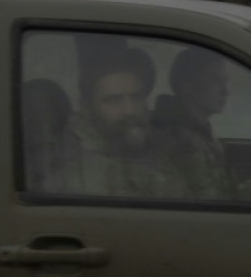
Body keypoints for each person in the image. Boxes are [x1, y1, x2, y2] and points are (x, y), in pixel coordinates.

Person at [51, 46, 185, 198]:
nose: (130, 110)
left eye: (136, 97)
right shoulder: (77, 169)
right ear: (88, 108)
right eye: (114, 100)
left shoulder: (162, 149)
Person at [152, 47, 234, 199]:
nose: (226, 91)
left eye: (226, 81)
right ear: (187, 85)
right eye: (215, 80)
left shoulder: (199, 131)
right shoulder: (178, 140)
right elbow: (212, 207)